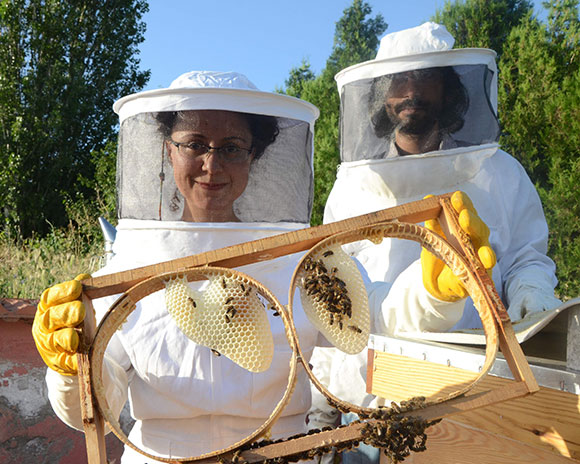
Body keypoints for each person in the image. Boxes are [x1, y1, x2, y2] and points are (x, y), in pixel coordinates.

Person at [32, 71, 485, 464]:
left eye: (232, 148)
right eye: (194, 145)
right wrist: (69, 370)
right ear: (169, 152)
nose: (211, 165)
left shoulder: (299, 257)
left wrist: (432, 291)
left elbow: (376, 316)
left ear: (254, 156)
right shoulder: (131, 263)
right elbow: (95, 408)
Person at [311, 22, 562, 464]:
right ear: (380, 94)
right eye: (398, 81)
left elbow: (527, 257)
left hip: (482, 395)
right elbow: (335, 297)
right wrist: (321, 407)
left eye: (424, 78)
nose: (410, 91)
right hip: (372, 404)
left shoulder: (500, 172)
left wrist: (532, 295)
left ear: (450, 89)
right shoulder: (352, 188)